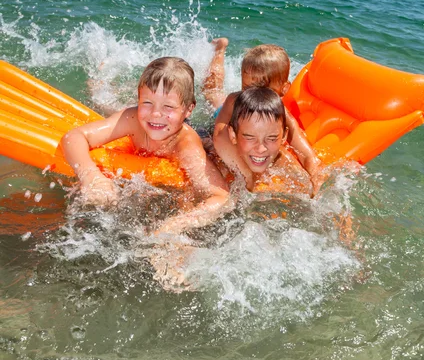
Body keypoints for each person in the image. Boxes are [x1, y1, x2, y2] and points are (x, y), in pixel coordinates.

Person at [60, 57, 230, 235]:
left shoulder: (186, 146)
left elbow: (221, 197)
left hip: (199, 133)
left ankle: (218, 57)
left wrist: (175, 225)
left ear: (188, 109)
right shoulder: (133, 118)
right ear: (139, 100)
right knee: (105, 106)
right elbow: (73, 137)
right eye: (147, 103)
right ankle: (100, 85)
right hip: (160, 126)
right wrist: (90, 176)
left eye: (168, 106)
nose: (156, 114)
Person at [203, 38, 322, 193]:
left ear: (284, 89)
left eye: (265, 90)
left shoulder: (282, 113)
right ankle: (220, 49)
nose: (255, 97)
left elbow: (306, 154)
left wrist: (314, 182)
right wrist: (247, 175)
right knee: (212, 92)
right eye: (247, 88)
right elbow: (219, 136)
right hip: (225, 118)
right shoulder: (234, 100)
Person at [213, 85, 312, 194]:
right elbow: (219, 136)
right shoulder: (223, 151)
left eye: (271, 139)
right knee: (214, 98)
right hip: (221, 121)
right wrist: (248, 177)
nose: (261, 149)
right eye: (250, 138)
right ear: (233, 136)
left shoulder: (284, 163)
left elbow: (308, 190)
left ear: (283, 137)